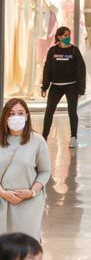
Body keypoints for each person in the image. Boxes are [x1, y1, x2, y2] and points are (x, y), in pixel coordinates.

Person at [0, 99, 51, 240]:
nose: (16, 117)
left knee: (25, 248)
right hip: (1, 200)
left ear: (27, 116)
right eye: (11, 113)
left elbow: (45, 171)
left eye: (20, 113)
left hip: (28, 204)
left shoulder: (38, 141)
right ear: (5, 117)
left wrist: (32, 191)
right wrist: (3, 193)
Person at [41, 26, 86, 148]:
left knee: (72, 112)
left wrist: (81, 88)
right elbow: (47, 69)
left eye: (68, 35)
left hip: (72, 86)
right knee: (49, 111)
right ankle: (43, 137)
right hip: (56, 86)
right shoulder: (53, 51)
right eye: (65, 35)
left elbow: (81, 69)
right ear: (59, 37)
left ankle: (73, 137)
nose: (68, 37)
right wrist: (44, 86)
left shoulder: (74, 51)